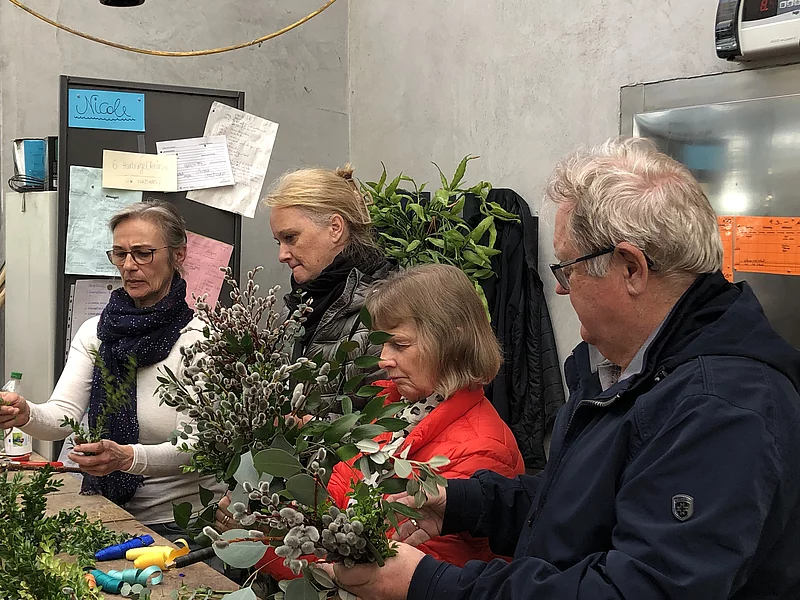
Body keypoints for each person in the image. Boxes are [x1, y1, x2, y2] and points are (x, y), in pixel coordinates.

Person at [322, 138, 800, 600]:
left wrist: (430, 584)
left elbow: (637, 588)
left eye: (568, 268)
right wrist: (460, 504)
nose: (561, 290)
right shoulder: (622, 373)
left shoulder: (720, 408)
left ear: (631, 267)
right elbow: (575, 505)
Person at [252, 264, 525, 579]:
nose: (382, 360)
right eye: (381, 343)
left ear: (453, 341)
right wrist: (267, 527)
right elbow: (335, 512)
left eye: (400, 344)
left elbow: (391, 577)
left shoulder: (481, 450)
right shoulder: (396, 411)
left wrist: (266, 548)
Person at [0, 200, 223, 535]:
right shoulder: (97, 332)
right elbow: (63, 416)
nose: (129, 266)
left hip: (181, 524)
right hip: (106, 511)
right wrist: (25, 413)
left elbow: (200, 446)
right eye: (120, 254)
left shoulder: (202, 340)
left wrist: (126, 458)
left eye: (143, 253)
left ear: (178, 255)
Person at [265, 165, 393, 407]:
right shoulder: (294, 308)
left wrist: (307, 426)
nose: (282, 255)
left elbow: (391, 416)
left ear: (335, 228)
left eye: (290, 238)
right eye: (278, 242)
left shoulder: (386, 309)